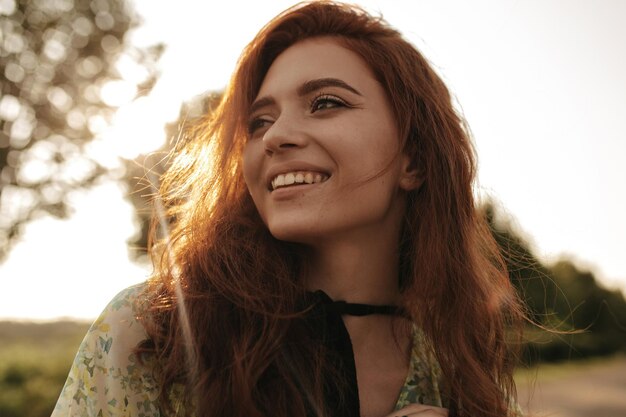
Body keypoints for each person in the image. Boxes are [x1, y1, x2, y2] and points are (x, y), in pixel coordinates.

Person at [52, 2, 525, 417]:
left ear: (415, 159)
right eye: (260, 121)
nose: (276, 136)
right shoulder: (152, 333)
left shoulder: (451, 363)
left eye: (325, 103)